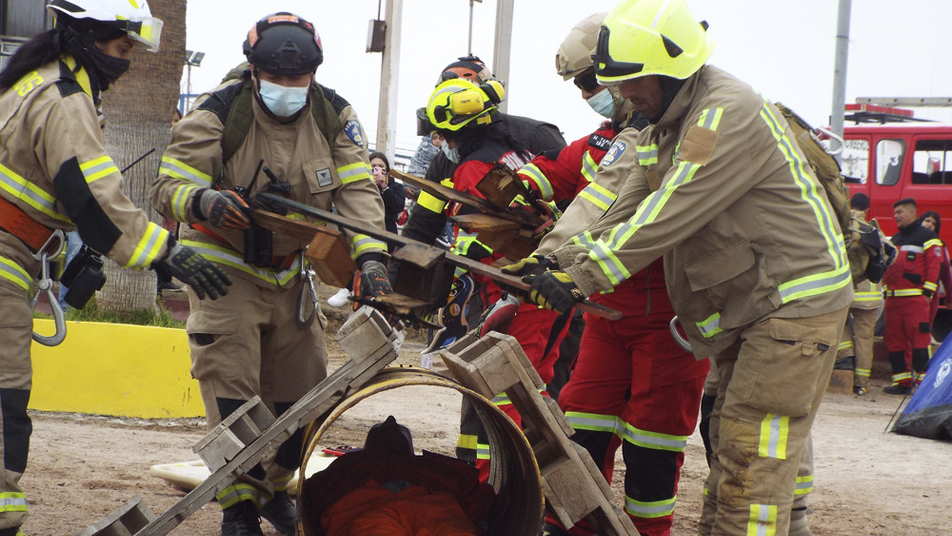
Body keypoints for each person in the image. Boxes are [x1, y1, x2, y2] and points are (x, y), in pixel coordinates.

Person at [523, 1, 852, 534]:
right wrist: (554, 261)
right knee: (734, 447)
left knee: (750, 456)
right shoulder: (664, 124)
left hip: (791, 304)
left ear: (672, 67)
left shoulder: (723, 112)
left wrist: (583, 275)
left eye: (631, 81)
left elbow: (671, 207)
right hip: (753, 306)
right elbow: (620, 205)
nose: (621, 94)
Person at [151, 12, 391, 536]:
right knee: (233, 393)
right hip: (223, 269)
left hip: (291, 273)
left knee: (302, 401)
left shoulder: (334, 115)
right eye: (276, 78)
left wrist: (371, 256)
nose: (287, 88)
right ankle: (238, 507)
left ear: (314, 72)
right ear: (255, 70)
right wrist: (204, 200)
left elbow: (357, 195)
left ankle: (274, 486)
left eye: (298, 79)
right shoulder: (218, 112)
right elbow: (167, 186)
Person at [0, 2, 231, 535]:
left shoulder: (41, 80)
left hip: (14, 253)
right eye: (123, 48)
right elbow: (96, 198)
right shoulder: (63, 99)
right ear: (89, 36)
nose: (126, 62)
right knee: (5, 391)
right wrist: (165, 252)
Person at [502, 14, 707, 536]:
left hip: (671, 314)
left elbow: (635, 214)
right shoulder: (625, 135)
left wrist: (565, 268)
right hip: (606, 306)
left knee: (653, 444)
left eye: (593, 82)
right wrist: (550, 258)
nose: (590, 95)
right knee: (581, 424)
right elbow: (596, 201)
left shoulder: (696, 128)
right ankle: (572, 525)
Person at [301, 416, 495, 536]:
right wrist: (477, 521)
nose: (390, 419)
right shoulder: (435, 466)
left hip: (361, 507)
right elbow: (480, 496)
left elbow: (311, 497)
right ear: (410, 449)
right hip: (431, 505)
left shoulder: (348, 465)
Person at [882, 198, 941, 395]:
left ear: (912, 213)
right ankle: (902, 382)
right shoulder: (896, 239)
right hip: (893, 298)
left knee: (919, 341)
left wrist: (927, 293)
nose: (895, 216)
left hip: (915, 299)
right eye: (895, 212)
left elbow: (935, 265)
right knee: (894, 340)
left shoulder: (927, 237)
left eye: (899, 212)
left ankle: (924, 385)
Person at [834, 193, 885, 396]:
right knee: (865, 338)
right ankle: (861, 383)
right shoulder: (874, 230)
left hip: (848, 291)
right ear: (867, 209)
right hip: (871, 297)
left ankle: (846, 358)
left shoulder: (843, 226)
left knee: (840, 326)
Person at [920, 210, 952, 332]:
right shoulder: (910, 241)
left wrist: (949, 299)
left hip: (931, 297)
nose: (929, 225)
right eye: (927, 221)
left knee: (924, 331)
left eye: (933, 224)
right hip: (909, 295)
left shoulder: (939, 246)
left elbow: (946, 275)